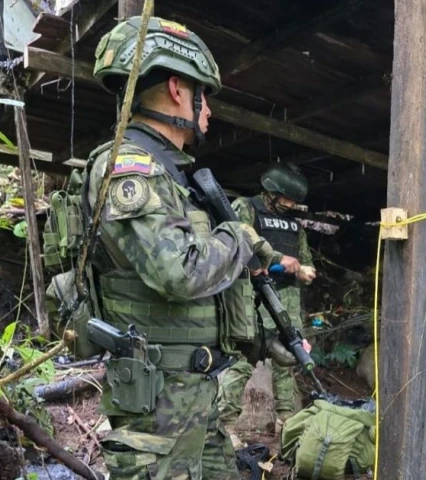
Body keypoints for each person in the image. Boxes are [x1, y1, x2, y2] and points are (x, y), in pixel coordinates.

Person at [87, 16, 296, 478]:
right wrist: (238, 236)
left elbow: (203, 302)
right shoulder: (129, 167)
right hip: (159, 399)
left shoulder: (173, 177)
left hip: (195, 392)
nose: (209, 112)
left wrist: (260, 341)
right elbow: (178, 273)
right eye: (205, 97)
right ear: (179, 89)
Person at [218, 162, 317, 440]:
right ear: (271, 191)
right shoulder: (245, 208)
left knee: (288, 359)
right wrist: (275, 259)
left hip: (286, 299)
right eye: (286, 197)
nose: (290, 204)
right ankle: (223, 426)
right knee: (243, 360)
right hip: (252, 298)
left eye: (293, 200)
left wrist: (305, 271)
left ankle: (287, 423)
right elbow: (234, 246)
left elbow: (304, 259)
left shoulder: (294, 226)